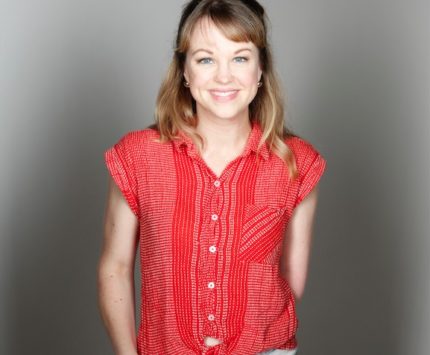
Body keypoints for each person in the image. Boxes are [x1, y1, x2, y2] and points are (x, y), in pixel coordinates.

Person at [98, 0, 327, 354]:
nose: (224, 76)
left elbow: (290, 282)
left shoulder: (296, 163)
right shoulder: (138, 157)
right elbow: (116, 265)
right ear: (185, 71)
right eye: (206, 58)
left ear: (260, 69)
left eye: (240, 57)